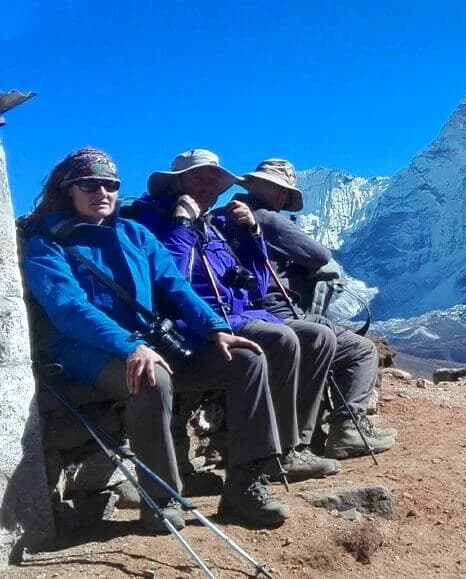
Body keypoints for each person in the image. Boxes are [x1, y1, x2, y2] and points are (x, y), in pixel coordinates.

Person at [20, 148, 290, 531]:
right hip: (86, 351)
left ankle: (246, 486)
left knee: (246, 360)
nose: (103, 192)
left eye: (110, 185)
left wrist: (216, 330)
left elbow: (176, 288)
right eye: (90, 184)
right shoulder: (47, 244)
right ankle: (160, 498)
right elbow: (68, 310)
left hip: (149, 342)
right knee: (151, 378)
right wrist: (129, 347)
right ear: (68, 189)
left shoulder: (134, 234)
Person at [123, 149, 340, 481]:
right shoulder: (148, 222)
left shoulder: (215, 226)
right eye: (200, 177)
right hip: (188, 325)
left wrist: (254, 237)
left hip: (237, 316)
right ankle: (267, 457)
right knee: (280, 340)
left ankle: (295, 445)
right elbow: (165, 281)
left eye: (215, 181)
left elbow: (257, 286)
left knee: (318, 337)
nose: (209, 187)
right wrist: (181, 224)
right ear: (176, 182)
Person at [237, 158, 396, 457]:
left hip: (244, 315)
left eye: (284, 191)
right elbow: (319, 255)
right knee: (361, 350)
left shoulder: (222, 219)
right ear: (255, 186)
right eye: (276, 188)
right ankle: (347, 430)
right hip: (277, 313)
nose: (281, 196)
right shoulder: (267, 219)